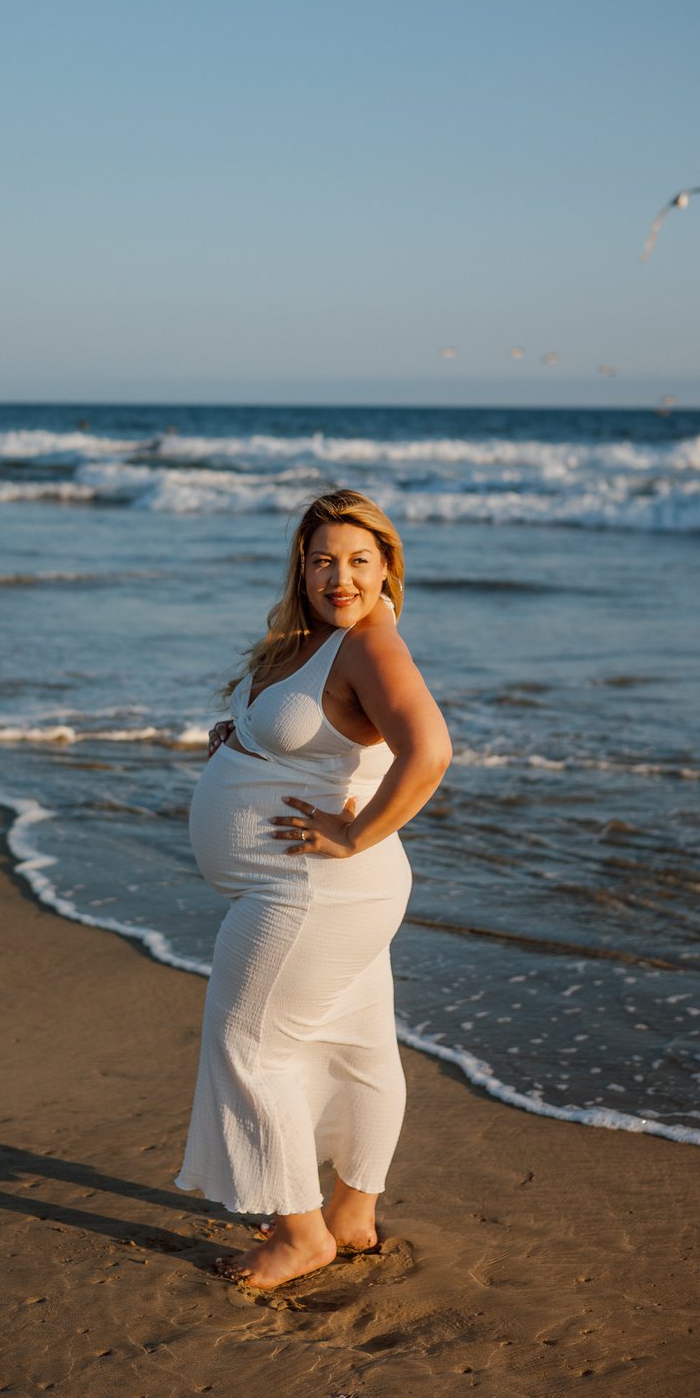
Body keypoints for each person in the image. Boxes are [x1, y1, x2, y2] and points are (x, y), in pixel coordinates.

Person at [175, 489, 451, 1290]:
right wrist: (247, 740)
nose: (342, 578)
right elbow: (321, 734)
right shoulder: (310, 642)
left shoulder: (371, 643)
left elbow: (428, 751)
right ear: (301, 565)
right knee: (362, 1047)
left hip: (312, 888)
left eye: (360, 561)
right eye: (324, 560)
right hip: (328, 893)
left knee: (247, 1045)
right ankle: (353, 1216)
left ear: (387, 567)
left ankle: (300, 1237)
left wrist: (354, 834)